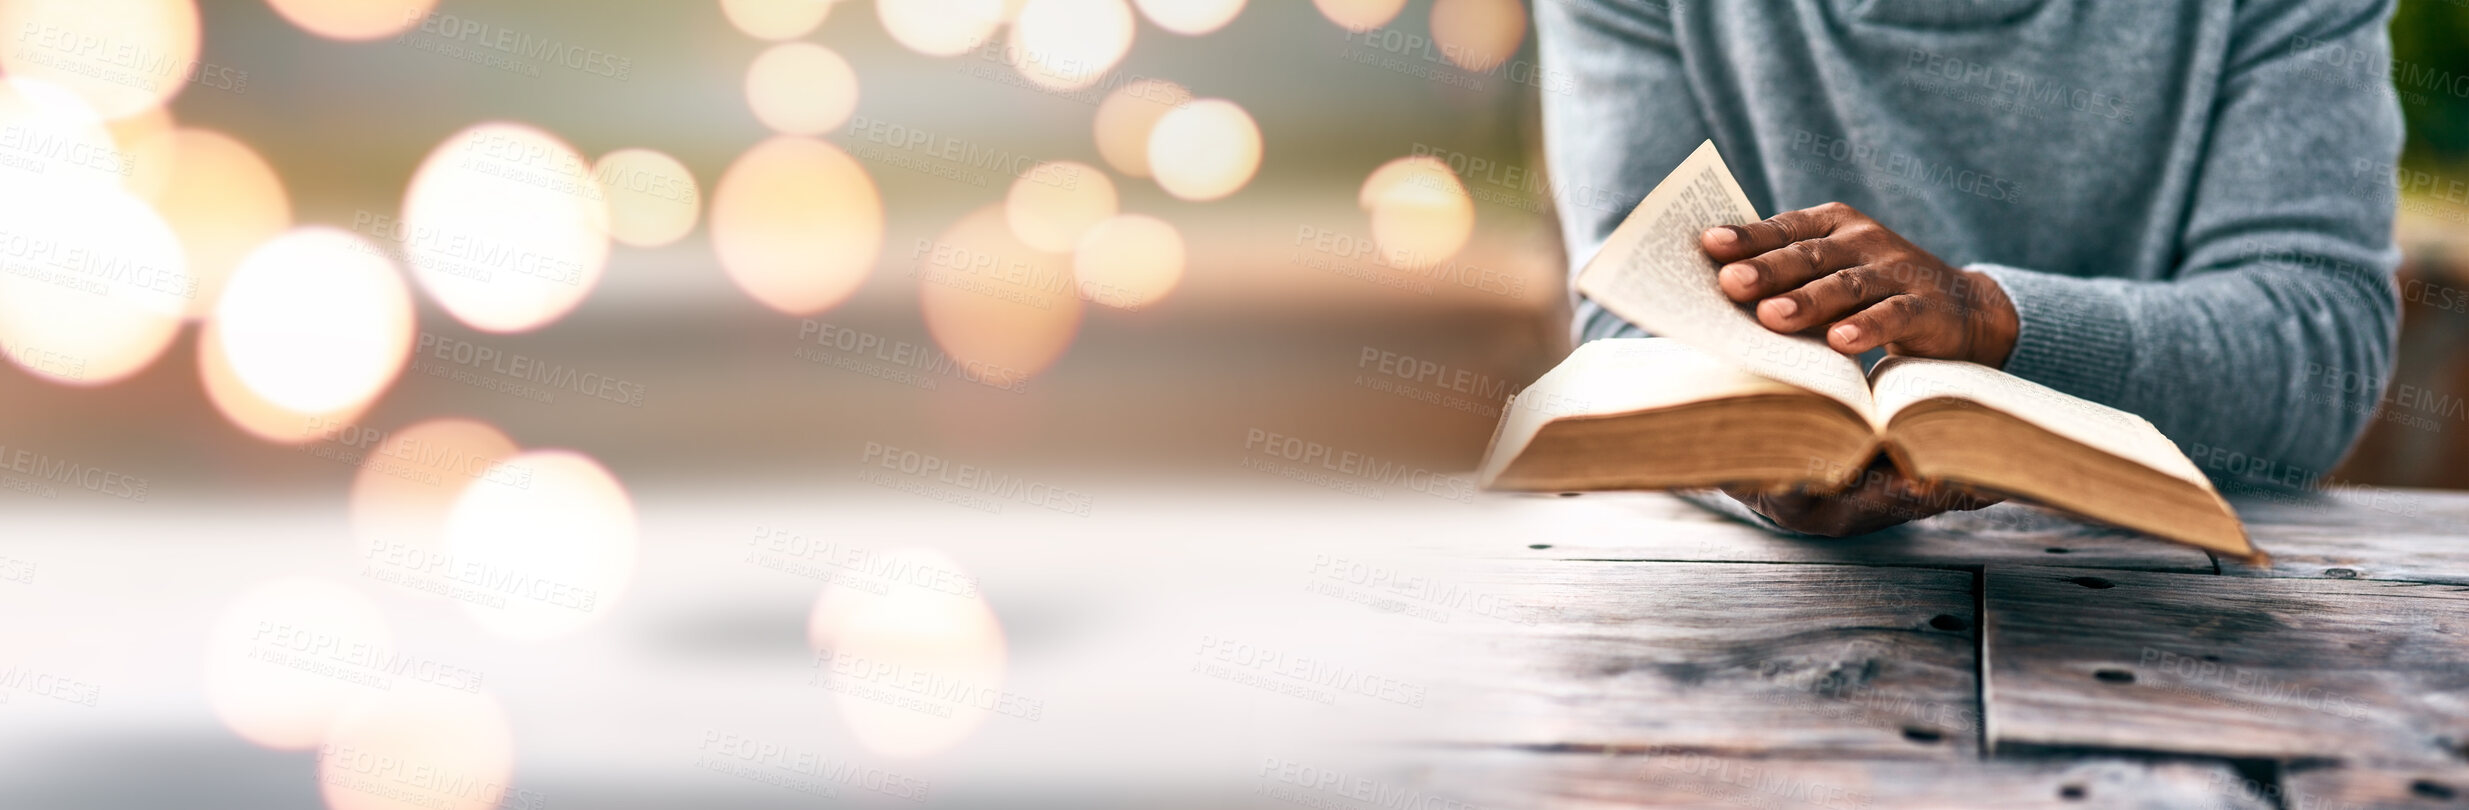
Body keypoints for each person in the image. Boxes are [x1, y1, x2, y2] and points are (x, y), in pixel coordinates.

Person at [1538, 0, 2404, 535]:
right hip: (1748, 627)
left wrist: (1996, 319)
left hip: (2183, 622)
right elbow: (1632, 319)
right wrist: (1755, 451)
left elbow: (2316, 342)